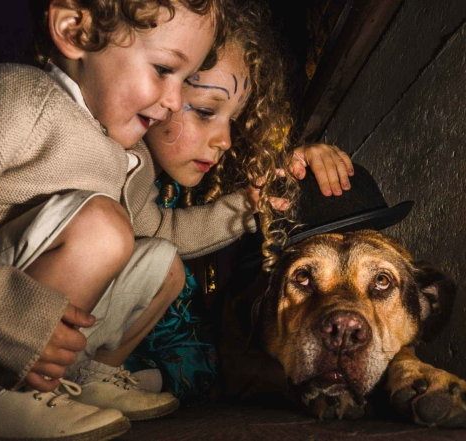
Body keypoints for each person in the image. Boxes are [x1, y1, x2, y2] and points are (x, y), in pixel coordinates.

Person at [0, 0, 225, 439]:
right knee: (104, 228)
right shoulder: (18, 96)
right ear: (75, 30)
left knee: (165, 263)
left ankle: (85, 379)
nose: (175, 101)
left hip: (39, 322)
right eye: (163, 69)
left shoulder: (130, 152)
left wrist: (243, 212)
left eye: (184, 79)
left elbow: (160, 228)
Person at [120, 0, 354, 402]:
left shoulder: (192, 181)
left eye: (235, 119)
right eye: (207, 110)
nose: (224, 140)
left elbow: (240, 195)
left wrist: (299, 166)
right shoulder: (110, 161)